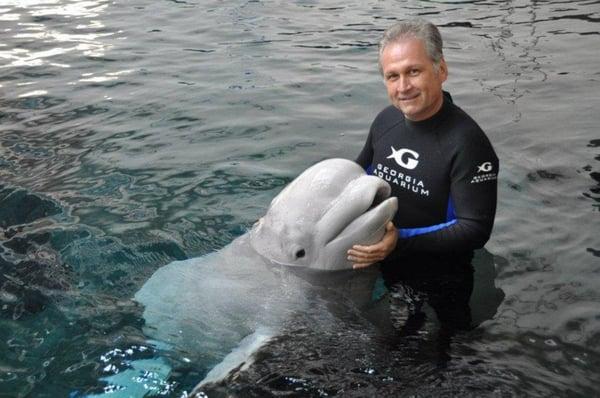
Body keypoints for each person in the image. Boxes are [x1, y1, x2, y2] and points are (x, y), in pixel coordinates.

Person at [348, 19, 499, 271]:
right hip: (376, 256)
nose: (403, 87)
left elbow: (475, 229)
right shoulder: (386, 121)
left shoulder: (468, 143)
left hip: (438, 273)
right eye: (393, 76)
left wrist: (398, 243)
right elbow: (356, 175)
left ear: (441, 71)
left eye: (413, 71)